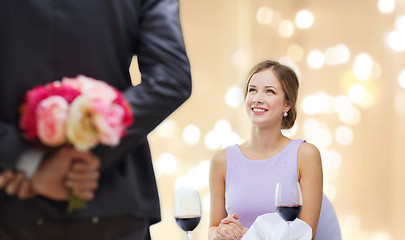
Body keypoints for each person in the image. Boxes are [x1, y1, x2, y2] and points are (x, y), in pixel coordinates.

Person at [0, 0, 191, 239]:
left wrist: (26, 160)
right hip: (112, 200)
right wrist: (86, 158)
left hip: (12, 199)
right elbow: (171, 79)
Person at [208, 60, 341, 240]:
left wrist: (250, 236)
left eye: (269, 91)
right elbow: (213, 228)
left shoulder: (305, 155)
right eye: (252, 90)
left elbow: (307, 234)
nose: (257, 98)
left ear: (287, 104)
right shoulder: (222, 160)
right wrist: (220, 233)